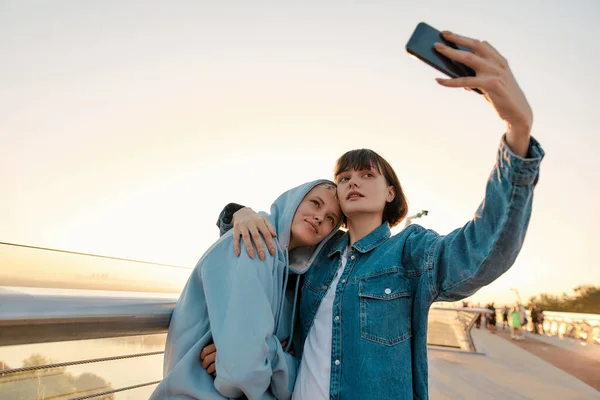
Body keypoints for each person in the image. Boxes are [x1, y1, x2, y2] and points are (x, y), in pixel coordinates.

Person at [204, 31, 544, 400]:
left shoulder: (410, 252)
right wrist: (239, 214)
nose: (353, 183)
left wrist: (518, 133)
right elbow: (264, 276)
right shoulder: (316, 256)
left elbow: (483, 251)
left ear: (390, 192)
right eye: (344, 177)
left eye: (368, 175)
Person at [150, 180, 342, 400]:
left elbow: (257, 362)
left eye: (331, 219)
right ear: (293, 202)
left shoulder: (291, 278)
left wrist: (266, 354)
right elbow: (242, 372)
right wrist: (256, 359)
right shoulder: (253, 244)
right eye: (315, 203)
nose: (320, 217)